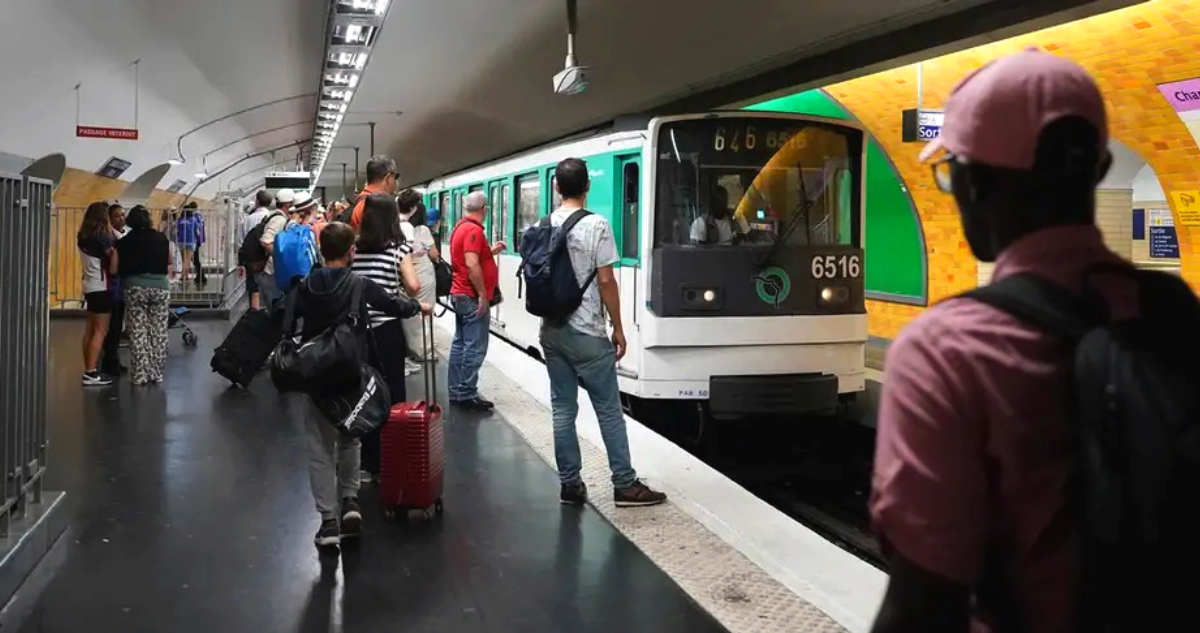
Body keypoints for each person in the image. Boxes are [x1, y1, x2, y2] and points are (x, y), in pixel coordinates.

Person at [869, 51, 1130, 633]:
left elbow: (923, 604)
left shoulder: (946, 352)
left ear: (972, 180)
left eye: (950, 170)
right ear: (1101, 165)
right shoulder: (1174, 315)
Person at [289, 222, 429, 548]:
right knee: (351, 437)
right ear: (351, 251)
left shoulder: (305, 285)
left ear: (321, 251)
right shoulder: (358, 284)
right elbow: (393, 304)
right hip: (351, 371)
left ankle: (327, 523)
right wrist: (417, 306)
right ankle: (350, 501)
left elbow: (286, 318)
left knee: (320, 448)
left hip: (316, 375)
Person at [538, 158, 667, 508]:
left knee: (563, 410)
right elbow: (606, 280)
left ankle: (570, 485)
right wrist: (620, 328)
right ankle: (624, 484)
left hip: (551, 330)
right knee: (609, 411)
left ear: (556, 188)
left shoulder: (544, 223)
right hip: (587, 332)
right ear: (587, 187)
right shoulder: (597, 225)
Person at [349, 193, 421, 482]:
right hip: (387, 331)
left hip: (358, 332)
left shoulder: (354, 249)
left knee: (365, 393)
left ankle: (367, 463)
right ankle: (390, 459)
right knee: (392, 394)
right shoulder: (398, 250)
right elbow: (414, 287)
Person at [447, 191, 503, 411]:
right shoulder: (473, 230)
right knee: (475, 347)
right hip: (470, 296)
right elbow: (471, 263)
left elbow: (471, 256)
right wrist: (482, 294)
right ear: (484, 210)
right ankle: (466, 393)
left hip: (459, 294)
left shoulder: (460, 227)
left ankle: (456, 390)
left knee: (460, 343)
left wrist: (490, 252)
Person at [115, 206, 172, 385]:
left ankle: (140, 374)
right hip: (160, 288)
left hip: (135, 287)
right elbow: (169, 260)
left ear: (130, 221)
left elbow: (116, 267)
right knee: (159, 331)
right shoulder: (161, 238)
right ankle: (156, 373)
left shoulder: (123, 242)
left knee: (138, 330)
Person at [78, 201, 119, 386]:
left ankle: (88, 367)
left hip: (89, 284)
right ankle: (91, 372)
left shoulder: (83, 235)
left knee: (89, 330)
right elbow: (112, 265)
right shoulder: (102, 237)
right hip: (102, 287)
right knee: (101, 331)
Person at [403, 201, 440, 362]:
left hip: (407, 274)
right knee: (425, 314)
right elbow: (434, 255)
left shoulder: (401, 228)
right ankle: (424, 351)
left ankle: (411, 349)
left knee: (410, 314)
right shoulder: (422, 230)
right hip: (423, 275)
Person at [396, 189, 425, 375]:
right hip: (400, 279)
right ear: (414, 208)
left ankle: (402, 360)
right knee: (402, 321)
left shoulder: (392, 223)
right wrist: (419, 250)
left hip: (394, 278)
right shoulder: (406, 227)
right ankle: (402, 362)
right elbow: (406, 252)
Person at [99, 203, 129, 377]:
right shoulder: (111, 238)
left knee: (116, 326)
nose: (122, 218)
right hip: (113, 287)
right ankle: (109, 361)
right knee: (113, 326)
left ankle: (113, 360)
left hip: (118, 286)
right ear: (109, 218)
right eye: (118, 215)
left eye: (123, 215)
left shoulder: (118, 236)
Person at [255, 188, 295, 311]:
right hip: (269, 271)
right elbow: (266, 241)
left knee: (270, 306)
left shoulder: (275, 216)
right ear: (288, 204)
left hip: (267, 271)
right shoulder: (279, 220)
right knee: (274, 307)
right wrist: (281, 258)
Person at [242, 190, 275, 311]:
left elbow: (241, 241)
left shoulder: (248, 219)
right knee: (269, 289)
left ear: (257, 201)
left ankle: (254, 315)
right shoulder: (274, 218)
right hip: (268, 259)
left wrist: (241, 262)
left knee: (253, 289)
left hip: (251, 260)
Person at [348, 156, 398, 229]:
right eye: (395, 177)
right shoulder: (378, 205)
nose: (395, 182)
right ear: (388, 177)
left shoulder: (361, 201)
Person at [176, 205, 202, 284]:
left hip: (181, 241)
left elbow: (176, 230)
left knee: (184, 259)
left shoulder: (179, 220)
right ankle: (182, 276)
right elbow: (197, 232)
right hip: (190, 241)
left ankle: (186, 276)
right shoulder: (193, 220)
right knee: (187, 260)